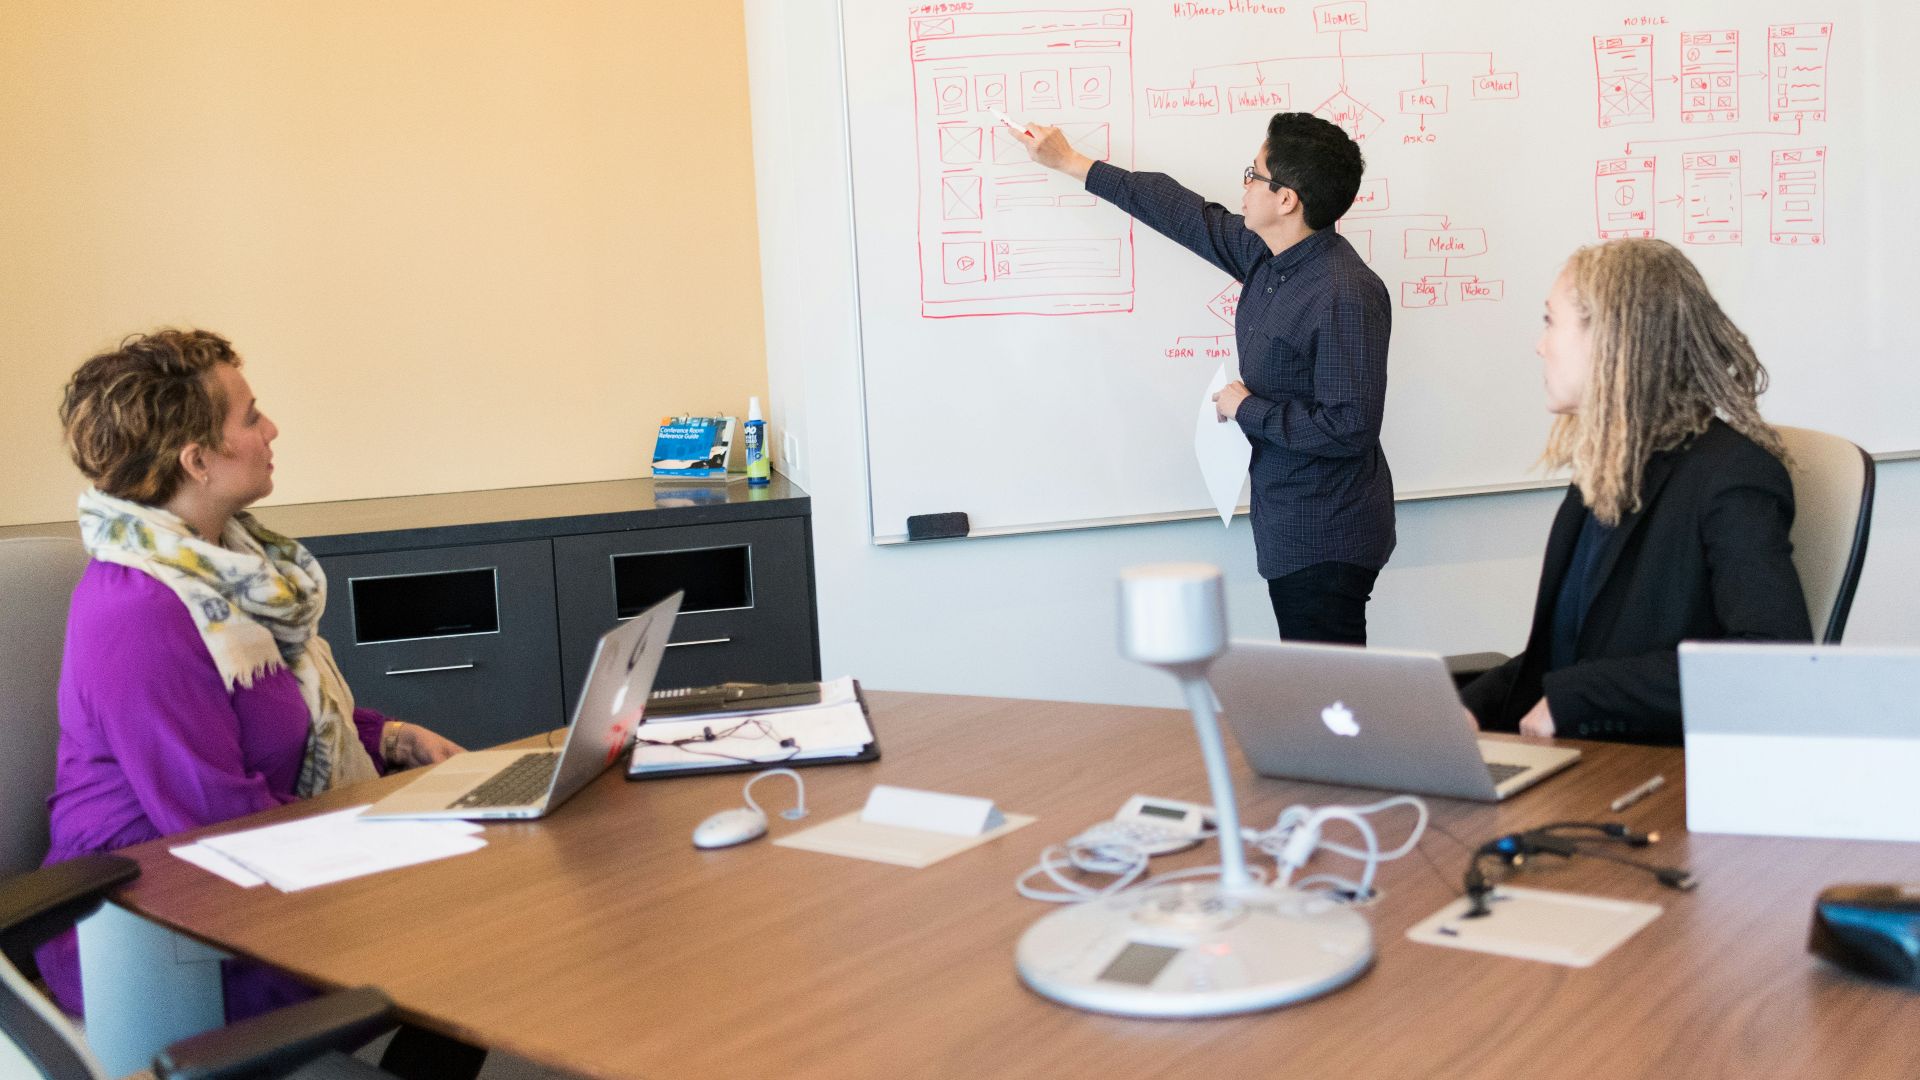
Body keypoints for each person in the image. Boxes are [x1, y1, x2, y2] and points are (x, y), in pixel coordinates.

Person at [41, 329, 482, 1078]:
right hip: (165, 924)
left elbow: (290, 720)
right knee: (467, 943)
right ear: (197, 459)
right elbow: (216, 824)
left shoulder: (234, 571)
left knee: (480, 934)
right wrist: (396, 841)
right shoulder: (139, 613)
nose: (270, 430)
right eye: (250, 416)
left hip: (253, 871)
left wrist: (396, 741)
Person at [1017, 112, 1394, 644]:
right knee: (1315, 688)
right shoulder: (1271, 258)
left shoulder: (1342, 292)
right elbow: (1182, 212)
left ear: (1286, 199)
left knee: (1328, 698)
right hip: (1290, 521)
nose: (1243, 185)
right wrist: (1072, 163)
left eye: (1253, 174)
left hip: (1327, 532)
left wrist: (1248, 409)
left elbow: (1349, 426)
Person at [1461, 239, 1813, 744]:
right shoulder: (1607, 468)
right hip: (1594, 757)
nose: (1541, 345)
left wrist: (1579, 698)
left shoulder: (1732, 476)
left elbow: (1773, 660)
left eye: (1550, 321)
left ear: (1611, 338)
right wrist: (1470, 708)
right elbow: (1566, 651)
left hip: (1659, 773)